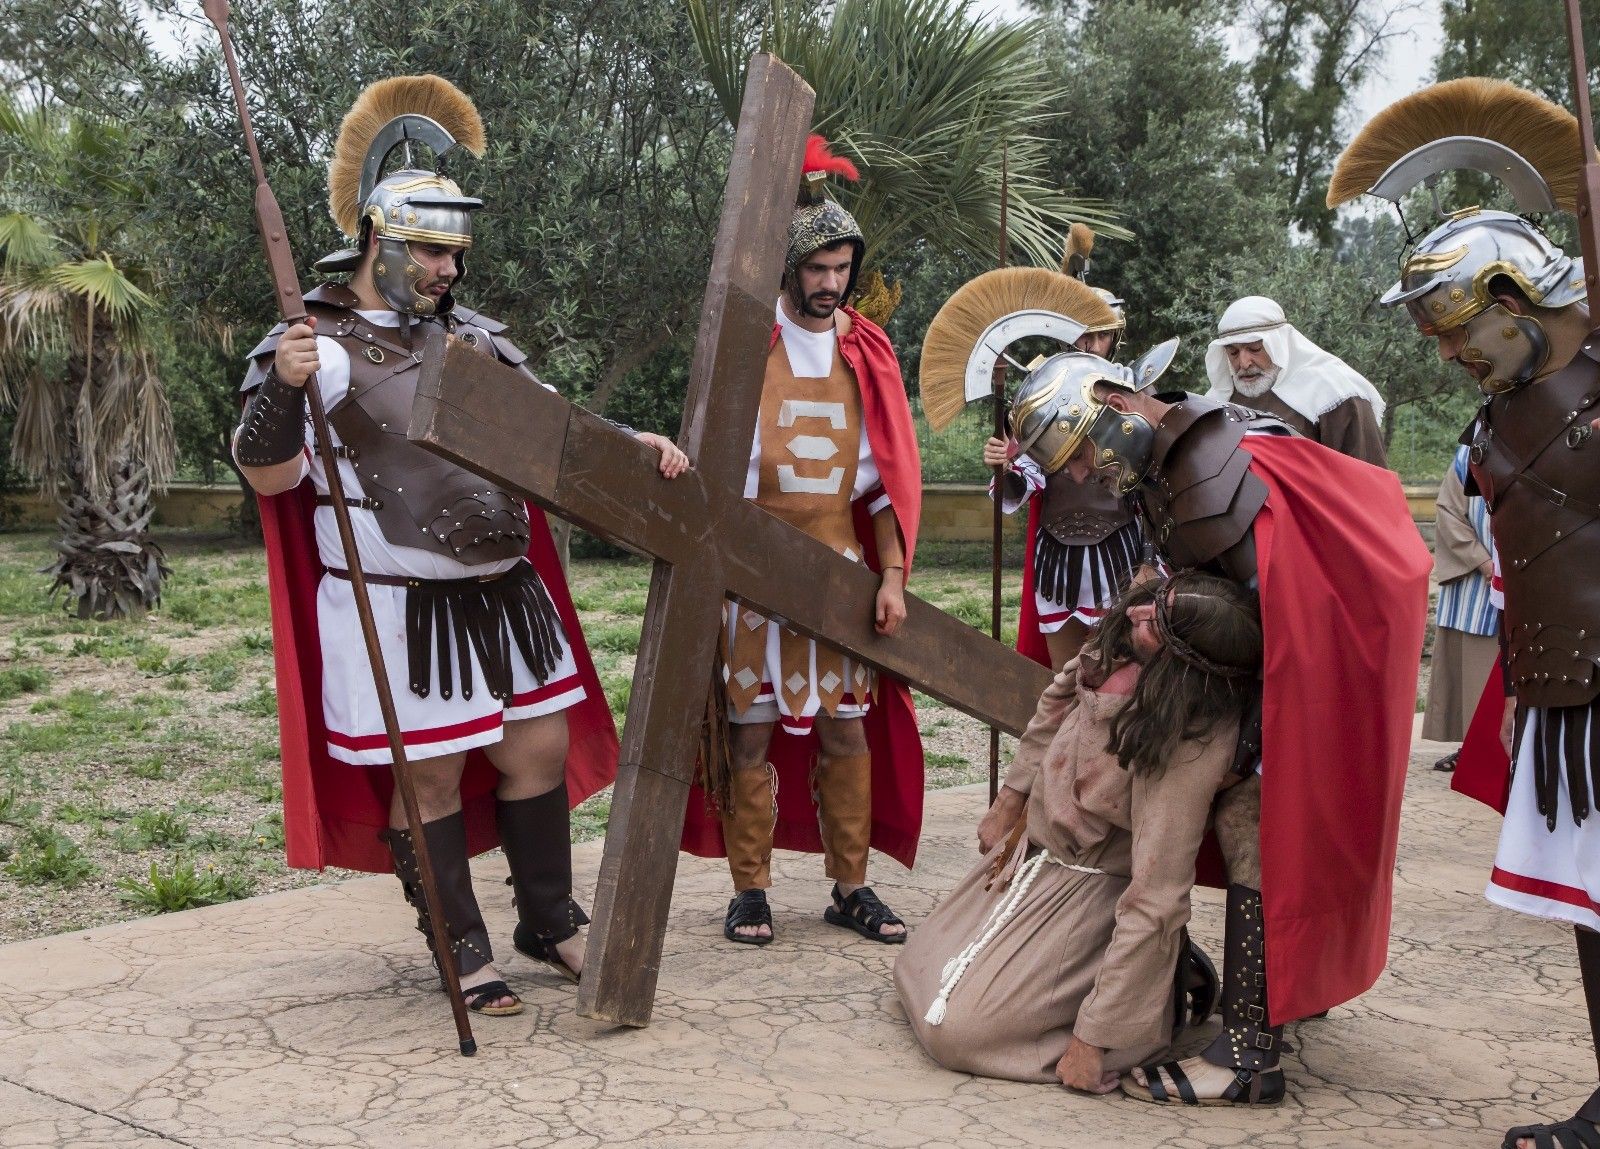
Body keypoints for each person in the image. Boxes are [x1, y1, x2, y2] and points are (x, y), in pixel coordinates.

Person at [233, 76, 689, 1016]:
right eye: (431, 251)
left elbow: (553, 430)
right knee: (431, 772)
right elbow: (266, 476)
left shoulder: (473, 337)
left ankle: (548, 919)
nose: (449, 270)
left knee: (539, 751)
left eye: (456, 254)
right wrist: (283, 385)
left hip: (503, 589)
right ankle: (462, 946)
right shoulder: (315, 343)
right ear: (376, 240)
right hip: (399, 602)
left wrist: (627, 447)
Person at [1004, 347, 1430, 1104]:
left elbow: (1287, 603)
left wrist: (1266, 734)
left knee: (1251, 823)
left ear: (1111, 409)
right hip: (1248, 675)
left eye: (1077, 455)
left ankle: (1248, 1053)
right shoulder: (1165, 465)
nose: (1078, 477)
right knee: (1235, 820)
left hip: (1303, 675)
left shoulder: (1217, 467)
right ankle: (1242, 1011)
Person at [1327, 76, 1600, 1149]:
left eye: (1460, 332)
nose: (1450, 357)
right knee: (1588, 909)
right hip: (1565, 695)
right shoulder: (1490, 432)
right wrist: (1526, 693)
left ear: (1514, 300)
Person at [678, 136, 925, 947]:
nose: (830, 284)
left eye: (842, 268)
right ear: (789, 267)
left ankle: (850, 886)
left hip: (837, 568)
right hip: (752, 574)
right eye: (817, 268)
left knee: (845, 728)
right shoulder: (751, 345)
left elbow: (882, 483)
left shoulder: (866, 350)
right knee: (748, 729)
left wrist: (891, 575)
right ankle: (750, 890)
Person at [894, 573, 1261, 1089]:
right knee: (915, 970)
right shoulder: (1120, 648)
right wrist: (1010, 799)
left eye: (1156, 622)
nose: (1137, 614)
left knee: (957, 1034)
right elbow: (1056, 699)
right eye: (1151, 603)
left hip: (1090, 899)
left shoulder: (1183, 738)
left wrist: (1092, 1040)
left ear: (1185, 657)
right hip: (1035, 862)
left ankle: (1151, 1001)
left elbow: (1157, 897)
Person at [981, 224, 1144, 670]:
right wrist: (1004, 467)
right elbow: (1019, 489)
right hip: (1058, 563)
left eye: (1100, 335)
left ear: (1115, 337)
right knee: (1062, 684)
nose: (1090, 345)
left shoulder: (1135, 392)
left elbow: (1152, 484)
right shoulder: (1042, 397)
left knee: (1121, 683)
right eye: (1081, 335)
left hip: (1123, 558)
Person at [1204, 296, 1388, 466]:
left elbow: (1367, 481)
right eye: (1233, 352)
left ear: (1278, 344)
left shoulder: (1335, 393)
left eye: (1254, 348)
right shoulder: (1220, 400)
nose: (1243, 363)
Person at [1421, 445, 1500, 772]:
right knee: (1474, 670)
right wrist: (1483, 563)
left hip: (1532, 577)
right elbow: (1449, 510)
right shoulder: (1471, 453)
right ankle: (1474, 746)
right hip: (1477, 579)